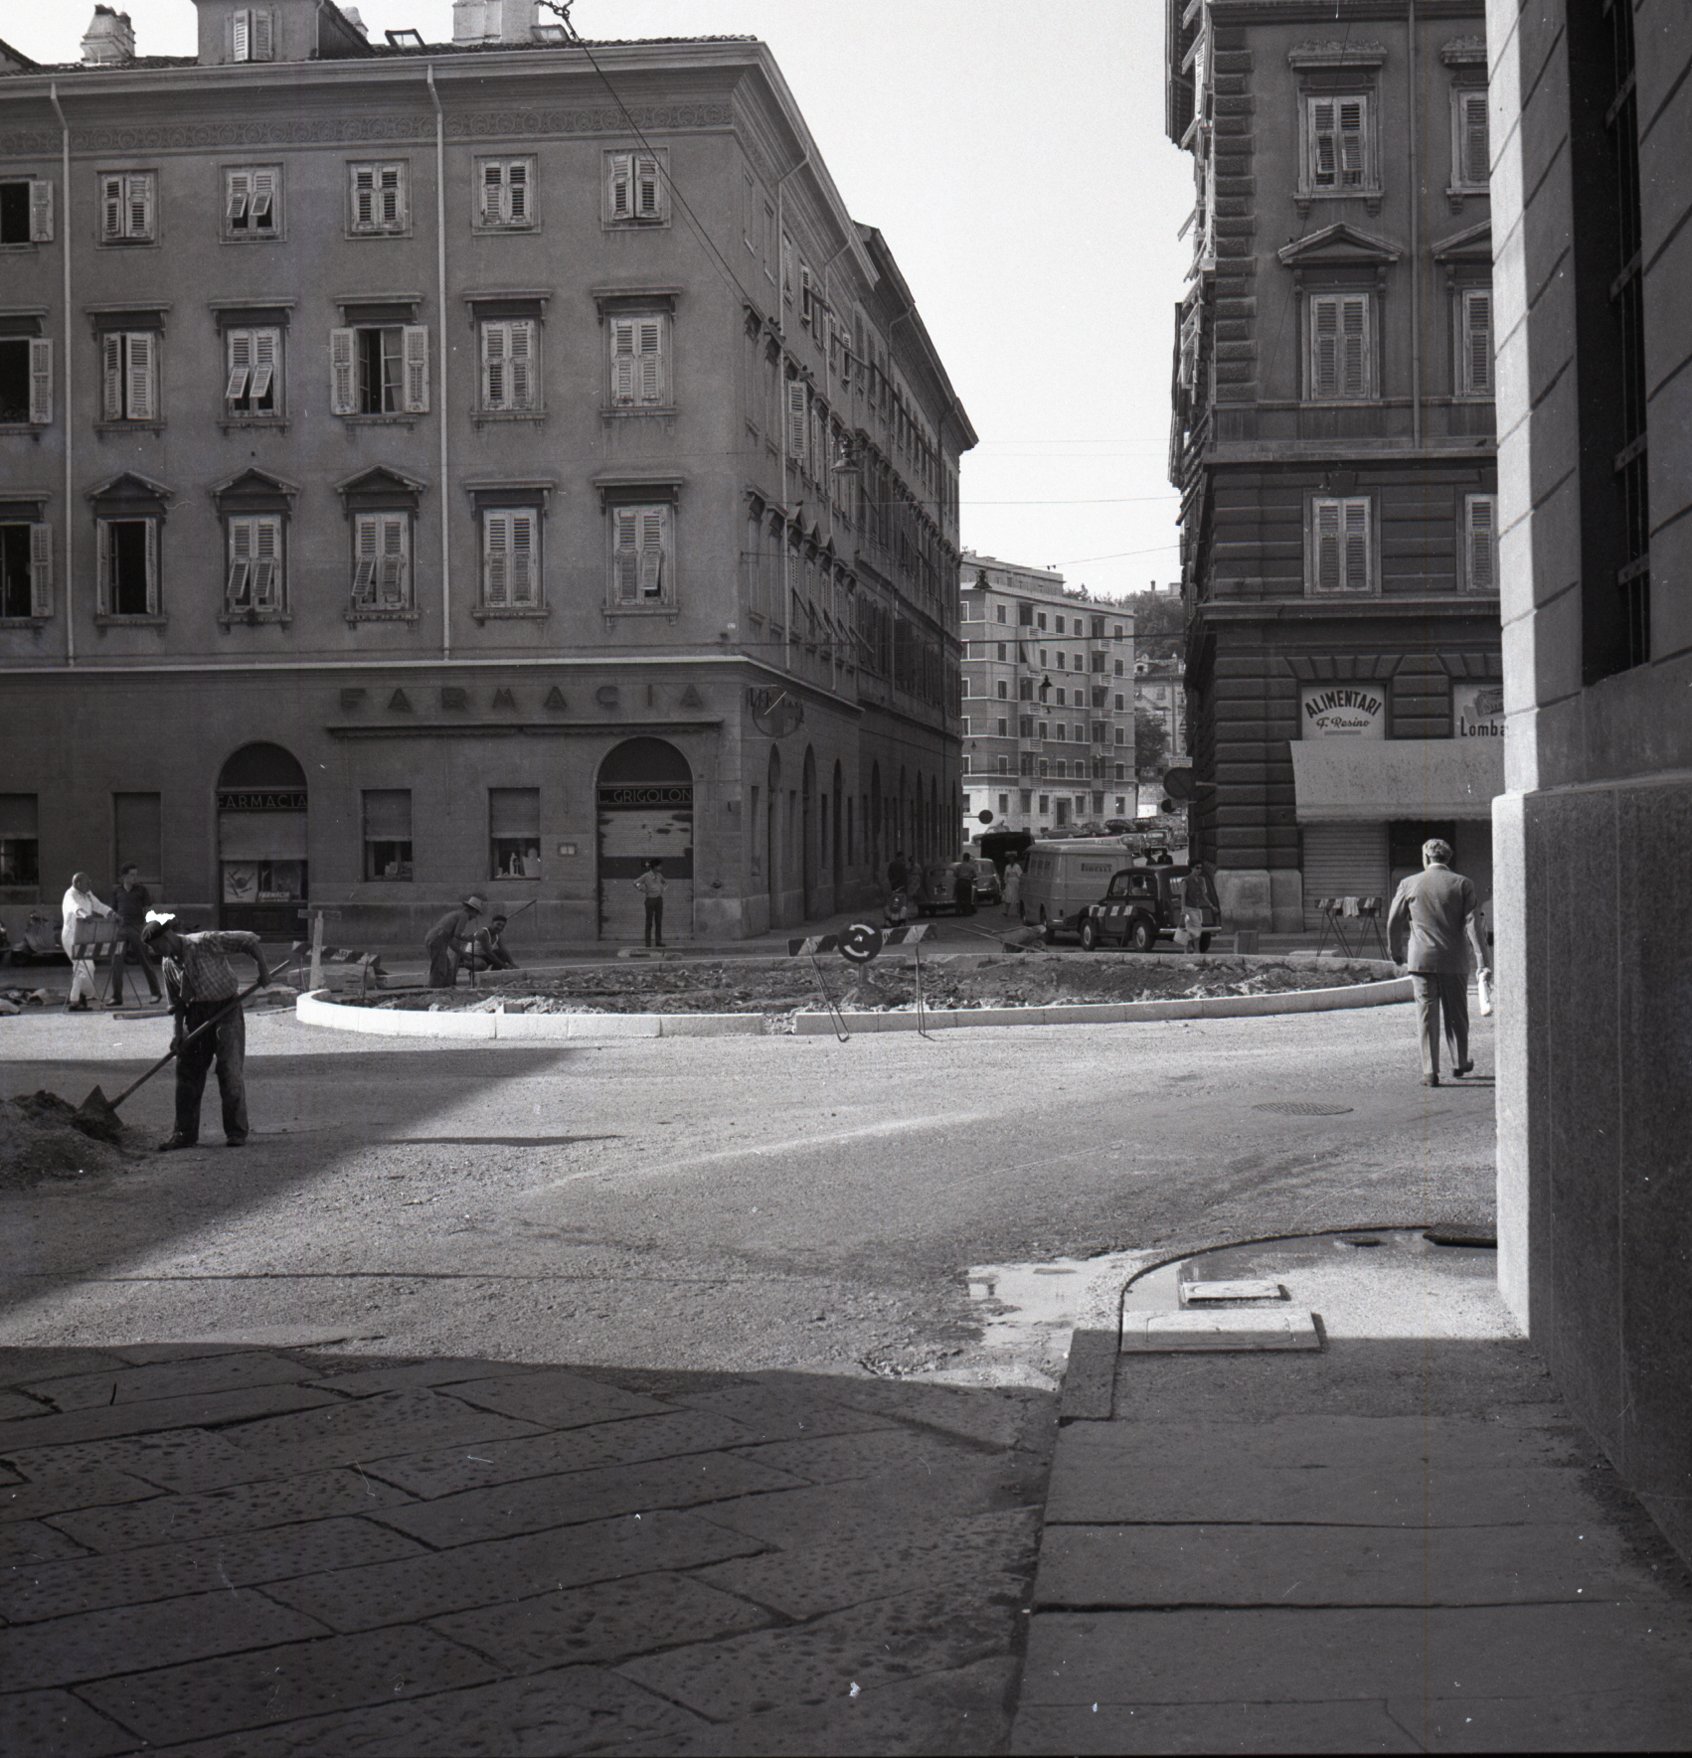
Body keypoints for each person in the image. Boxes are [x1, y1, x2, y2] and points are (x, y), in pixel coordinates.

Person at [141, 913, 268, 1150]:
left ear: (167, 937)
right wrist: (178, 1034)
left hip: (226, 1009)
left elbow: (248, 940)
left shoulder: (205, 942)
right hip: (195, 1014)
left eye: (157, 947)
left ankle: (236, 1132)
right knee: (187, 1072)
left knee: (229, 1069)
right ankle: (184, 1134)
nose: (157, 952)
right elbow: (177, 1004)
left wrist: (263, 969)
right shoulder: (168, 963)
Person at [1387, 838, 1490, 1087]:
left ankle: (1429, 1071)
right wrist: (1481, 960)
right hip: (1454, 959)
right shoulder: (1462, 883)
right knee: (1456, 1014)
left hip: (1421, 960)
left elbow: (1393, 921)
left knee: (1426, 1014)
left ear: (1425, 857)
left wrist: (1396, 952)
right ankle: (1460, 1061)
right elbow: (1473, 924)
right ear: (1449, 858)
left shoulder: (1408, 883)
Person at [109, 863, 163, 1008]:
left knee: (145, 960)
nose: (135, 877)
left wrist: (148, 929)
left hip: (137, 927)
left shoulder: (141, 890)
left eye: (135, 875)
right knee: (116, 962)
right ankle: (116, 997)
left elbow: (148, 909)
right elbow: (113, 910)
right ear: (124, 876)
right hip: (121, 929)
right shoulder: (117, 891)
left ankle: (156, 993)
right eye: (132, 875)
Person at [60, 872, 115, 1012]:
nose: (90, 885)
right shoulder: (70, 895)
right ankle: (77, 999)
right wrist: (84, 915)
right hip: (71, 935)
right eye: (87, 883)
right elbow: (75, 908)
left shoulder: (88, 894)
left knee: (87, 967)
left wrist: (111, 913)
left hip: (84, 934)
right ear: (77, 883)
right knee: (82, 966)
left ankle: (79, 997)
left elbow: (98, 905)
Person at [424, 895, 486, 988]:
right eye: (476, 914)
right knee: (439, 968)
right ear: (473, 910)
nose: (475, 917)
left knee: (447, 968)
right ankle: (434, 989)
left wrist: (464, 955)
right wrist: (468, 938)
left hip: (434, 938)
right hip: (437, 939)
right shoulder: (464, 915)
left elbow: (451, 943)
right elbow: (458, 934)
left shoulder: (457, 914)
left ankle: (446, 988)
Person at [634, 858, 666, 947]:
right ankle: (648, 942)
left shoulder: (659, 875)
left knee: (658, 921)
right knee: (649, 922)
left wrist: (662, 889)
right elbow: (635, 883)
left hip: (659, 899)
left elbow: (665, 883)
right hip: (650, 900)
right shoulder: (646, 875)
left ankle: (658, 941)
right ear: (655, 866)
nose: (661, 867)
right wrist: (642, 889)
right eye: (659, 865)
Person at [954, 851, 979, 916]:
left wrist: (959, 876)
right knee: (968, 898)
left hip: (960, 882)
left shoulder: (959, 866)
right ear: (968, 859)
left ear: (963, 858)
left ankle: (958, 912)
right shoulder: (971, 867)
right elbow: (975, 875)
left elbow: (955, 874)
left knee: (959, 898)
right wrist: (971, 877)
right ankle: (967, 912)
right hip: (967, 882)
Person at [1001, 855, 1024, 921]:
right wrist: (1005, 882)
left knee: (1016, 897)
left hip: (1016, 883)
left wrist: (1020, 883)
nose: (1011, 860)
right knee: (1008, 896)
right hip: (1009, 883)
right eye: (1010, 859)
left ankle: (1018, 911)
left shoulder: (1017, 866)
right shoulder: (1007, 866)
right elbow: (1005, 875)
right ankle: (1006, 911)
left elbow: (1020, 875)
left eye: (1012, 859)